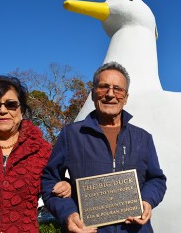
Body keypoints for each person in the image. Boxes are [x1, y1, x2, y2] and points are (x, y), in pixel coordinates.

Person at [42, 62, 167, 233]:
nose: (110, 94)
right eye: (103, 87)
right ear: (93, 94)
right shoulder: (71, 135)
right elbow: (49, 180)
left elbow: (157, 180)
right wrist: (68, 213)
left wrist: (147, 200)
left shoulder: (143, 138)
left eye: (118, 89)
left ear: (126, 97)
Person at [0, 75, 71, 233]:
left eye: (11, 104)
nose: (3, 111)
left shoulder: (41, 149)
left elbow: (53, 183)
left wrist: (67, 185)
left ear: (22, 110)